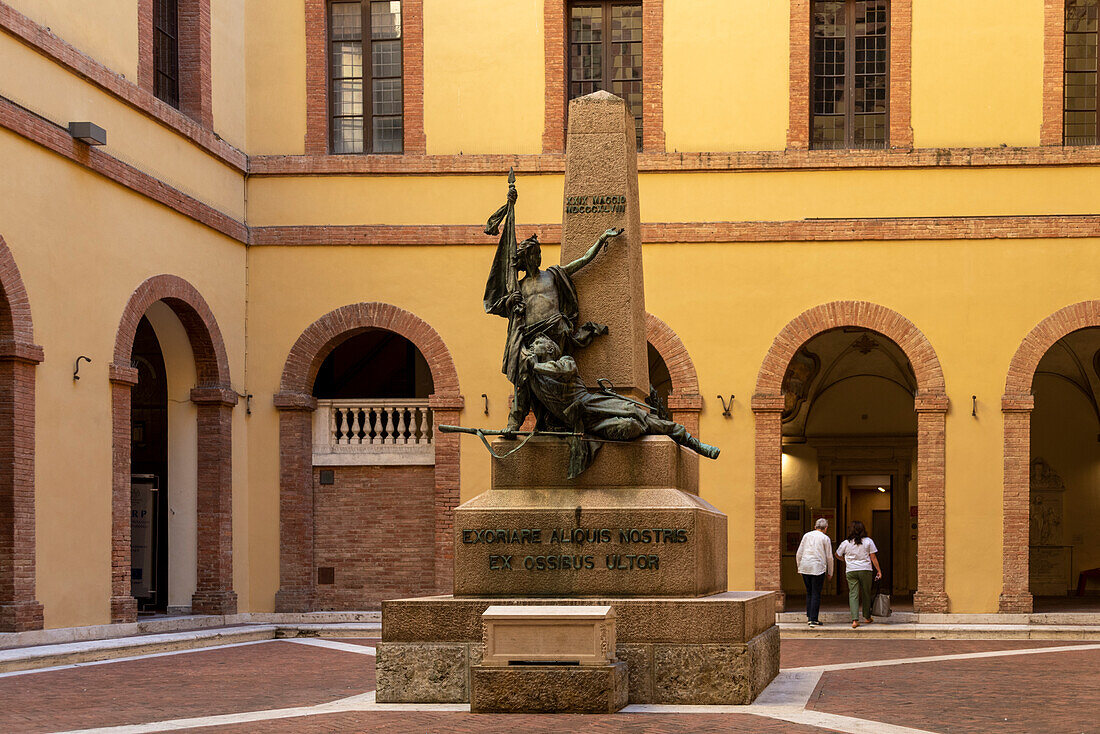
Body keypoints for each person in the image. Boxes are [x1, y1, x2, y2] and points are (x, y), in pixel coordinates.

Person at [483, 179, 623, 431]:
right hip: (529, 336)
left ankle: (556, 418)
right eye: (532, 254)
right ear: (525, 259)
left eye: (538, 253)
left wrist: (601, 240)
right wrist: (510, 301)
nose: (537, 256)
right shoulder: (520, 287)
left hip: (554, 333)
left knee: (555, 376)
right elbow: (503, 308)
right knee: (525, 375)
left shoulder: (553, 274)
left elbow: (581, 262)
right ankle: (520, 420)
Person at [520, 335, 719, 477]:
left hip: (593, 404)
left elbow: (563, 370)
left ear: (549, 349)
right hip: (582, 422)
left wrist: (534, 366)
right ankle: (633, 427)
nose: (533, 346)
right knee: (628, 426)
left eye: (538, 343)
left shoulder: (565, 360)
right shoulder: (532, 380)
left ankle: (692, 442)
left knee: (637, 413)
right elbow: (520, 403)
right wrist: (513, 427)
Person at [835, 520, 882, 628]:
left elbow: (837, 554)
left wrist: (845, 560)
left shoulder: (846, 543)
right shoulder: (868, 541)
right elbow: (873, 557)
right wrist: (879, 570)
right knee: (866, 593)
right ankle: (867, 617)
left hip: (851, 570)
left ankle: (855, 620)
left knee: (853, 594)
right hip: (865, 570)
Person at [795, 518, 834, 627]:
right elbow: (829, 557)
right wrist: (830, 572)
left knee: (809, 592)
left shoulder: (806, 536)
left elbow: (799, 553)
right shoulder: (825, 538)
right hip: (818, 568)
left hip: (805, 566)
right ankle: (813, 619)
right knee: (816, 593)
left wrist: (799, 566)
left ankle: (809, 617)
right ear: (826, 528)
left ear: (814, 526)